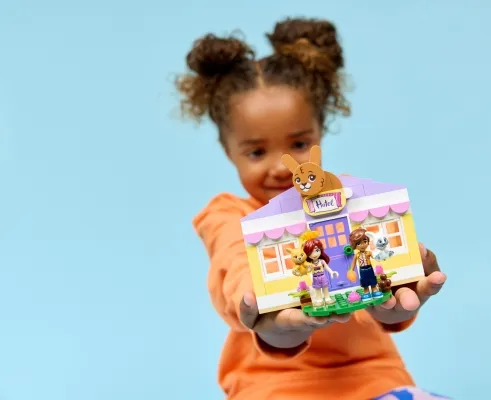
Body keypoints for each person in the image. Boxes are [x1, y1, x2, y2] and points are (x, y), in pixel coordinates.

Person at [175, 17, 448, 400]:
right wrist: (263, 308)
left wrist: (396, 304)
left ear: (319, 133)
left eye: (299, 145)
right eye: (256, 152)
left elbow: (386, 288)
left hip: (372, 377)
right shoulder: (227, 214)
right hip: (271, 386)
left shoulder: (349, 198)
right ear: (228, 151)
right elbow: (232, 263)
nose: (280, 166)